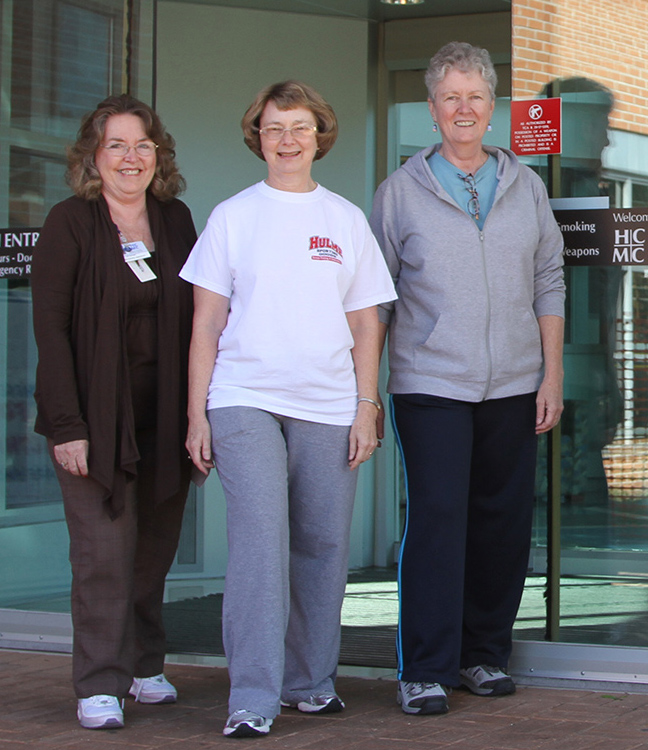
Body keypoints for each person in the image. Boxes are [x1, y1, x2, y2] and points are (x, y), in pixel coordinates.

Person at [180, 80, 396, 738]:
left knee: (323, 545)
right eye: (274, 128)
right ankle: (252, 695)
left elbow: (366, 324)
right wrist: (196, 414)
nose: (288, 139)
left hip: (329, 403)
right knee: (259, 544)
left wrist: (366, 405)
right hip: (243, 398)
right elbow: (205, 323)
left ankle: (310, 682)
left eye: (300, 127)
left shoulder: (344, 219)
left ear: (319, 136)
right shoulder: (233, 217)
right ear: (258, 137)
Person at [369, 41, 565, 716]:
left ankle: (483, 654)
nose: (463, 108)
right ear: (431, 109)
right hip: (430, 385)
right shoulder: (399, 193)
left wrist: (550, 374)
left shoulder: (526, 186)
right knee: (439, 520)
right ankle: (424, 667)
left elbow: (548, 280)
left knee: (502, 524)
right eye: (450, 97)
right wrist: (368, 390)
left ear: (492, 106)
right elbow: (375, 299)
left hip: (514, 383)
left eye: (475, 96)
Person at [31, 94, 196, 730]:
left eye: (142, 145)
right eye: (117, 146)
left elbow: (204, 314)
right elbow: (50, 331)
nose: (131, 158)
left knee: (153, 551)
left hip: (165, 417)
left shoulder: (175, 219)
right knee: (103, 554)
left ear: (159, 155)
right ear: (93, 157)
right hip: (94, 419)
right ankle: (100, 681)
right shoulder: (70, 221)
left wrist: (199, 415)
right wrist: (67, 426)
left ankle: (145, 665)